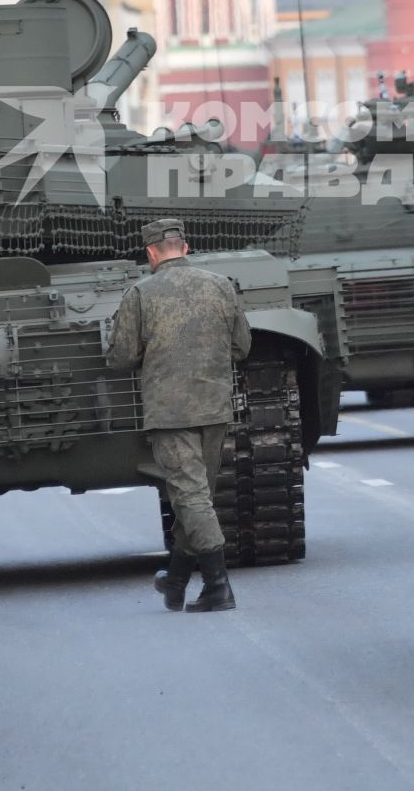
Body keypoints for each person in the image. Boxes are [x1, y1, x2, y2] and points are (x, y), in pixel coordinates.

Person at [107, 218, 252, 613]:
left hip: (170, 411)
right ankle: (176, 580)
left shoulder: (140, 293)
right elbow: (242, 346)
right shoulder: (221, 284)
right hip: (214, 405)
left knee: (190, 496)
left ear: (151, 253)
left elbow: (120, 357)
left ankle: (218, 586)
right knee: (197, 496)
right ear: (185, 248)